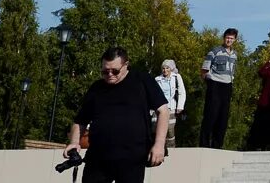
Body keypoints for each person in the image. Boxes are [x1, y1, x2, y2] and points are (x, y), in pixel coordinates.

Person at [64, 46, 168, 183]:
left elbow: (163, 111)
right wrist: (74, 142)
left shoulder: (142, 80)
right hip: (98, 158)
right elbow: (80, 120)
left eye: (115, 71)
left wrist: (159, 144)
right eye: (105, 71)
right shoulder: (96, 88)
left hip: (132, 158)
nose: (110, 75)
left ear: (126, 65)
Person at [199, 27, 238, 149]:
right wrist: (210, 83)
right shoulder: (214, 51)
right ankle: (204, 144)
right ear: (224, 38)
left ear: (235, 40)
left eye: (231, 38)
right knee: (211, 114)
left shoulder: (234, 54)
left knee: (223, 117)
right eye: (227, 38)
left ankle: (217, 145)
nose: (229, 40)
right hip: (215, 84)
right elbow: (204, 70)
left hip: (227, 86)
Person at [246, 54, 270, 151]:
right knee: (261, 124)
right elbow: (261, 72)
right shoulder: (268, 71)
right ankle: (258, 144)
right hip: (266, 102)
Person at [154, 60, 186, 149]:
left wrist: (180, 106)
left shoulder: (176, 77)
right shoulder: (157, 79)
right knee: (159, 129)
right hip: (160, 108)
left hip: (171, 107)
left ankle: (171, 148)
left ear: (171, 69)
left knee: (170, 130)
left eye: (167, 68)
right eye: (163, 68)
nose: (165, 70)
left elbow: (182, 92)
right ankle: (161, 148)